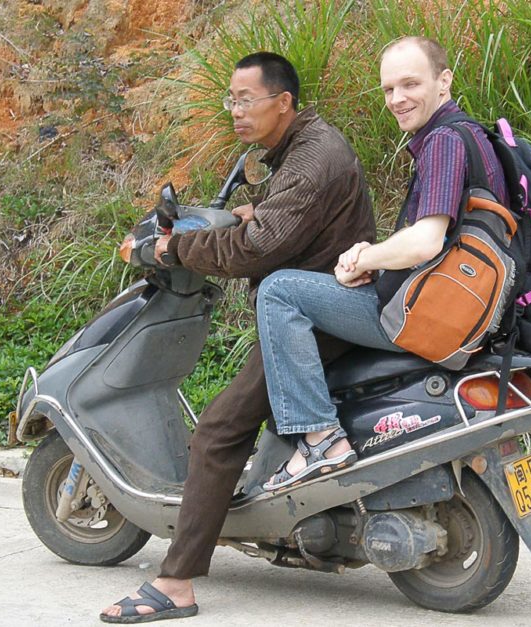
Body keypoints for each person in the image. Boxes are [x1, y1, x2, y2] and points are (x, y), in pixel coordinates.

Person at [100, 52, 375, 623]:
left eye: (246, 99)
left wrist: (172, 248)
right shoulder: (303, 149)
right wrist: (253, 211)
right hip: (320, 307)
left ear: (283, 103)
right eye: (231, 99)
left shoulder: (311, 159)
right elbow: (287, 221)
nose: (236, 110)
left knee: (219, 431)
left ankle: (174, 584)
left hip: (316, 317)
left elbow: (258, 250)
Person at [257, 36, 509, 491]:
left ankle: (320, 440)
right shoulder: (472, 135)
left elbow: (427, 242)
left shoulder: (444, 143)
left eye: (410, 84)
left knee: (280, 291)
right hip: (460, 305)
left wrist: (364, 256)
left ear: (444, 81)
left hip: (435, 317)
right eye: (389, 89)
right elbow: (448, 242)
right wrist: (380, 266)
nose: (397, 99)